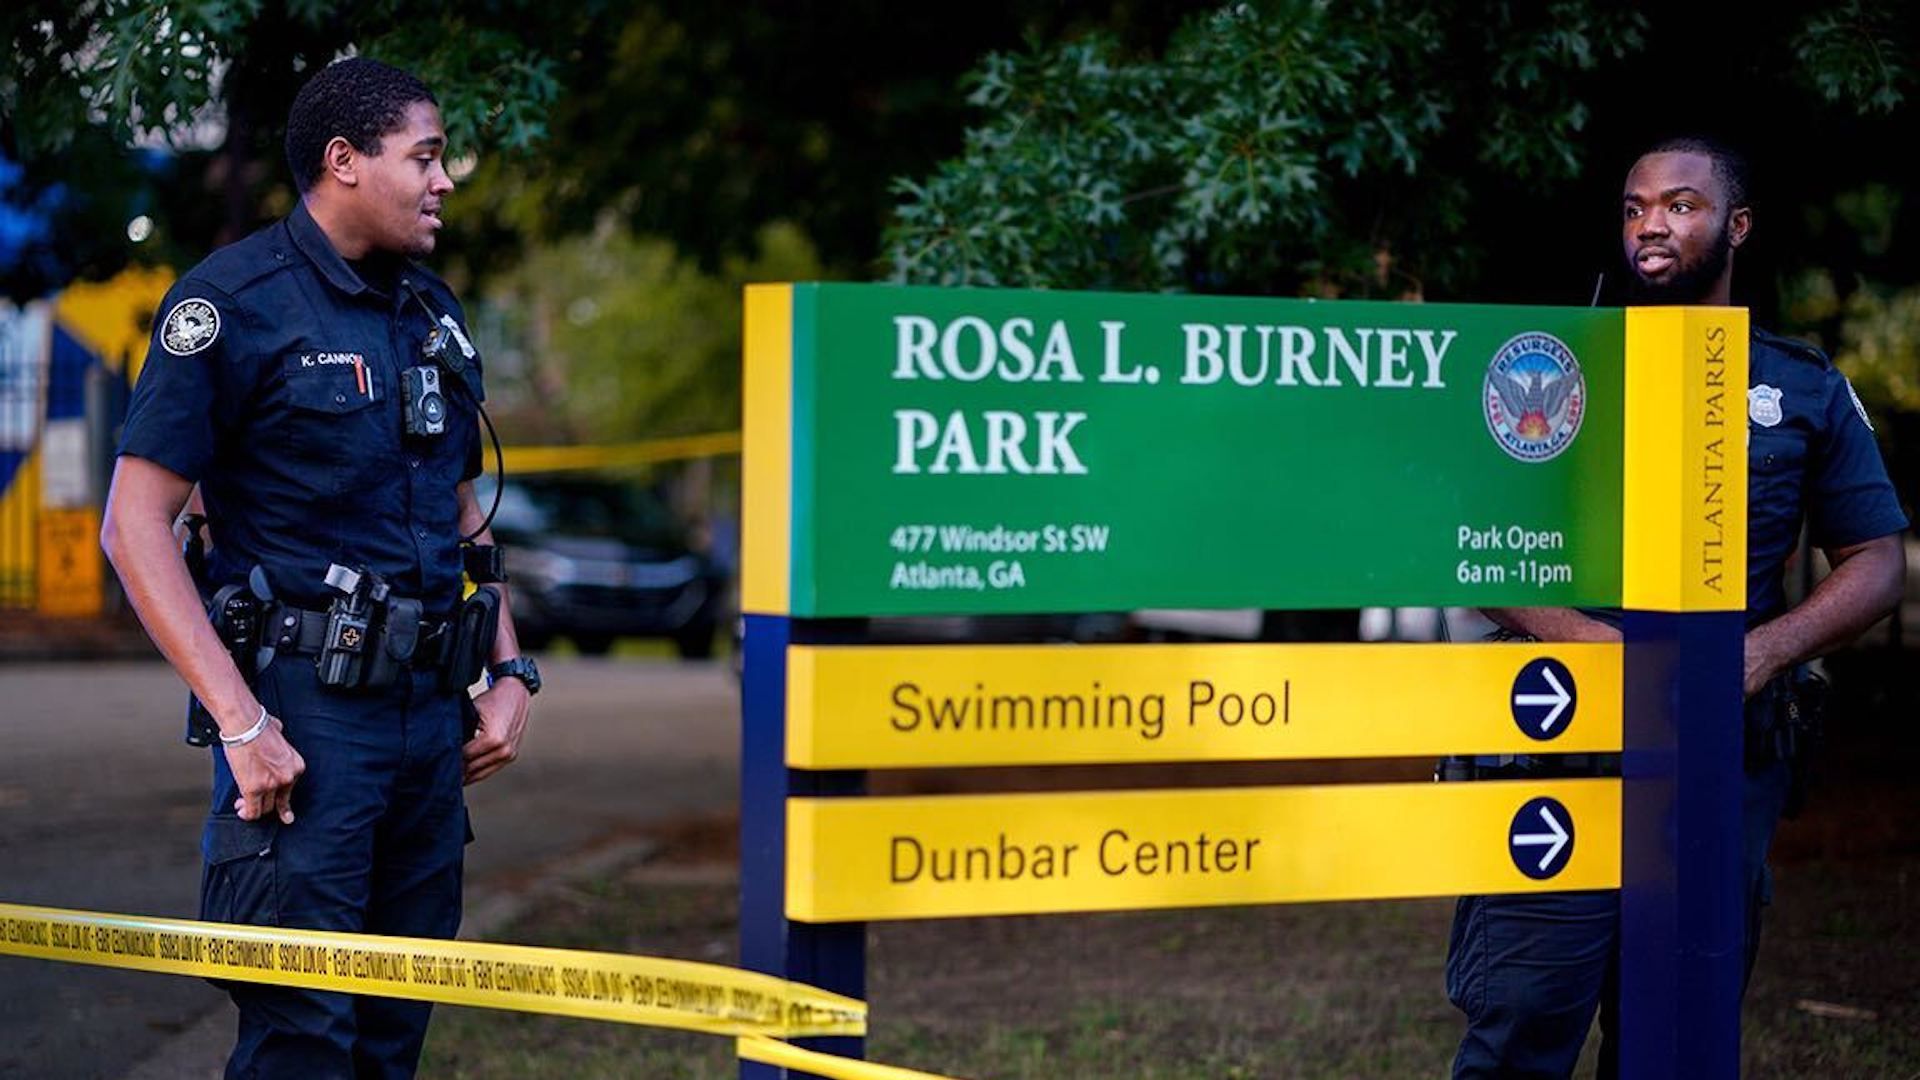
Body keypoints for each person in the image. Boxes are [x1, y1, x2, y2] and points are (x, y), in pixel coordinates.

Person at [101, 58, 541, 1078]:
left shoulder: (430, 309)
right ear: (344, 162)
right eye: (425, 158)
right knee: (304, 1034)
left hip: (429, 725)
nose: (445, 182)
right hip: (304, 727)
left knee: (394, 1035)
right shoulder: (230, 304)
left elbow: (461, 504)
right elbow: (134, 527)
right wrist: (243, 726)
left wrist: (510, 673)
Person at [1443, 136, 1908, 1077]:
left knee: (1680, 1038)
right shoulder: (1548, 371)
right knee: (1523, 1025)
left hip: (1717, 754)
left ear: (1736, 225)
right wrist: (1599, 647)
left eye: (1680, 204)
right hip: (1558, 742)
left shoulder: (1800, 383)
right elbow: (1474, 546)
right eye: (1634, 207)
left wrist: (1760, 654)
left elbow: (1876, 560)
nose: (1651, 223)